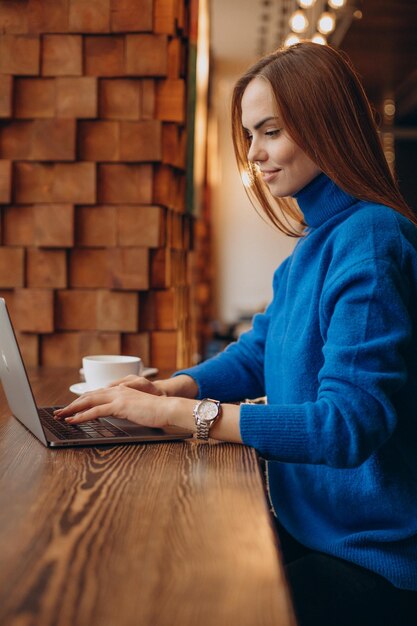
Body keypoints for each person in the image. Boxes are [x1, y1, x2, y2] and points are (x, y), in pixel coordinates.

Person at [55, 43, 417, 625]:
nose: (255, 155)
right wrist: (171, 389)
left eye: (270, 131)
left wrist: (186, 417)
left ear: (325, 123)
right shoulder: (314, 245)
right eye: (250, 136)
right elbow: (260, 350)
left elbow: (347, 424)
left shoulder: (370, 240)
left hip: (374, 558)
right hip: (314, 528)